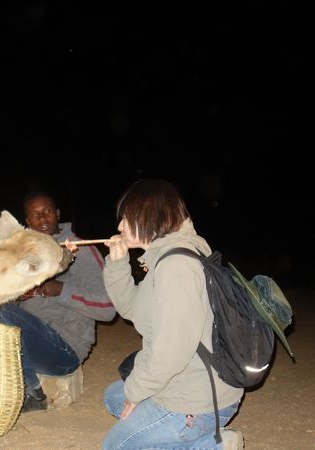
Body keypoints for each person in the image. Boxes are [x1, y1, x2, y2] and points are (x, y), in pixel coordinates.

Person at [100, 179, 245, 450]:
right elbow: (134, 309)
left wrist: (136, 393)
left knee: (115, 446)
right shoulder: (164, 257)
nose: (119, 227)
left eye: (127, 218)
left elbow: (170, 351)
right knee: (113, 396)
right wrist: (118, 264)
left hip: (196, 400)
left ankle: (211, 446)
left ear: (153, 217)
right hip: (186, 380)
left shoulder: (177, 266)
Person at [0, 191, 116, 412]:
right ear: (27, 222)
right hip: (35, 343)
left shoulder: (80, 250)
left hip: (65, 349)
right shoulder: (26, 254)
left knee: (2, 311)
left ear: (57, 214)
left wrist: (60, 290)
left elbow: (108, 309)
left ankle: (33, 393)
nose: (42, 218)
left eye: (47, 211)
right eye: (35, 215)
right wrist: (18, 295)